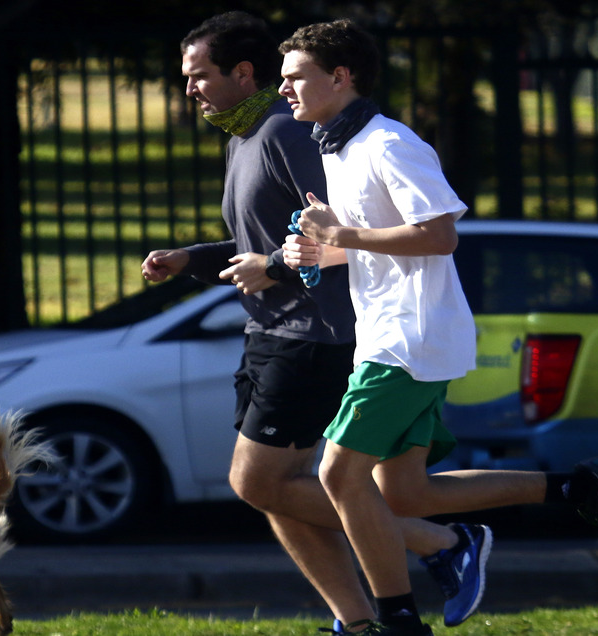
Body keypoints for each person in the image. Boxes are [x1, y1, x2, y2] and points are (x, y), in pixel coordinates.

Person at [277, 19, 598, 635]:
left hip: (408, 338)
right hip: (391, 333)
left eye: (295, 77)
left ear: (339, 77)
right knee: (405, 496)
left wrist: (344, 234)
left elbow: (440, 235)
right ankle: (582, 489)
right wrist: (323, 251)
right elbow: (382, 239)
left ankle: (396, 621)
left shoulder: (389, 143)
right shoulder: (337, 146)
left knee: (337, 474)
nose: (284, 89)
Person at [141, 12, 491, 634]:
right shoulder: (247, 137)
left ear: (239, 72)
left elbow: (330, 233)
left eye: (198, 75)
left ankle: (437, 545)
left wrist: (275, 266)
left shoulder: (289, 134)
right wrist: (190, 260)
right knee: (280, 488)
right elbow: (274, 237)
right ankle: (360, 622)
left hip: (316, 335)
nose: (189, 88)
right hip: (273, 333)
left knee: (264, 482)